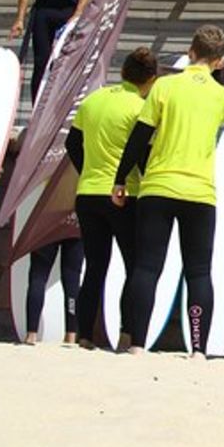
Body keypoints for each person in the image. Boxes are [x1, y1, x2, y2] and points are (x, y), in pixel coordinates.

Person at [112, 26, 224, 356]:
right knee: (198, 271)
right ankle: (197, 348)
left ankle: (137, 344)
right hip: (199, 190)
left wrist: (120, 178)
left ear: (190, 52)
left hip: (159, 185)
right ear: (220, 61)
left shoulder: (165, 85)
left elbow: (140, 136)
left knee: (147, 267)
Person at [66, 47, 158, 351]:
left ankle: (84, 336)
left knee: (94, 267)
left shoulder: (93, 100)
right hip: (124, 194)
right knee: (134, 266)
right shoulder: (139, 108)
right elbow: (141, 154)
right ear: (151, 80)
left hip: (88, 191)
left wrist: (87, 171)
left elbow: (72, 142)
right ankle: (127, 334)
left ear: (123, 72)